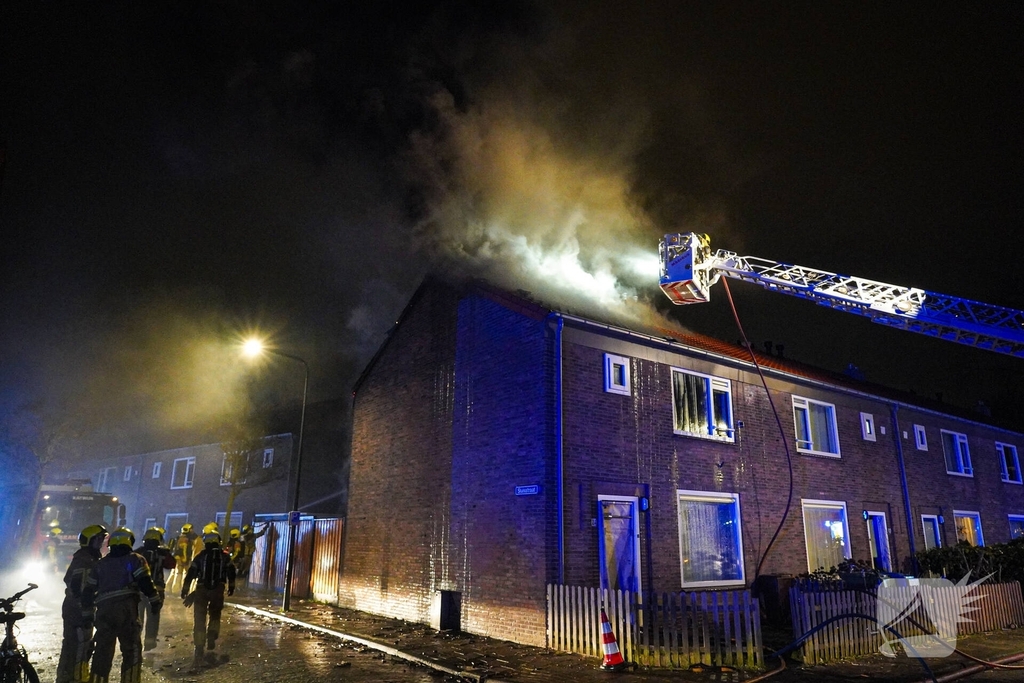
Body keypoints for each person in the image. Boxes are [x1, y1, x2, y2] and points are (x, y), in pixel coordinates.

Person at [81, 527, 162, 683]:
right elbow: (145, 582)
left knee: (102, 652)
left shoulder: (100, 564)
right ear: (129, 541)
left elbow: (88, 592)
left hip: (104, 613)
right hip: (127, 612)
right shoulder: (136, 559)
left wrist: (87, 616)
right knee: (132, 651)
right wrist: (155, 600)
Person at [56, 524, 107, 683]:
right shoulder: (86, 561)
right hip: (78, 611)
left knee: (71, 645)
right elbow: (83, 591)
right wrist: (86, 613)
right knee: (80, 646)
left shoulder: (84, 558)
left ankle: (65, 677)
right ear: (90, 541)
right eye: (98, 539)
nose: (101, 543)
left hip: (74, 609)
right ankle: (77, 679)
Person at [181, 530, 235, 671]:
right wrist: (232, 586)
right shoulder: (224, 557)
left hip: (201, 590)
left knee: (199, 619)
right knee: (215, 614)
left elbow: (191, 573)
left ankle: (199, 646)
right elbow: (231, 571)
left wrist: (185, 589)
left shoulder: (200, 556)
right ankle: (212, 635)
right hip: (218, 589)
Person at [134, 527, 176, 651]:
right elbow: (172, 564)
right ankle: (149, 644)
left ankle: (135, 643)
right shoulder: (163, 553)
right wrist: (168, 552)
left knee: (136, 618)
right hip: (157, 591)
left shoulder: (138, 553)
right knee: (153, 616)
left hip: (139, 591)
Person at [167, 523, 197, 593]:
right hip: (183, 558)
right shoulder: (186, 539)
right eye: (191, 529)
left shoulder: (178, 537)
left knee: (175, 573)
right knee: (182, 574)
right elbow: (185, 550)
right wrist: (185, 558)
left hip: (177, 558)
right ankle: (177, 589)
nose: (192, 531)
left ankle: (170, 588)